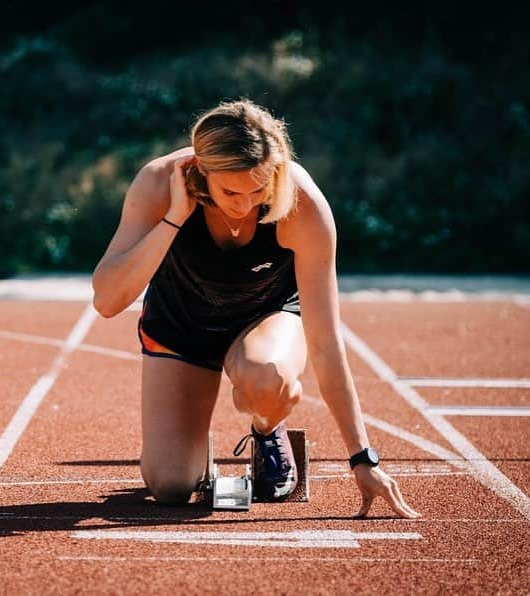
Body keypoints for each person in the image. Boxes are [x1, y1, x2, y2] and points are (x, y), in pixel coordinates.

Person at [91, 98, 420, 518]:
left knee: (267, 377)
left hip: (265, 321)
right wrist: (174, 218)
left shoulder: (302, 204)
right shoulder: (158, 183)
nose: (244, 204)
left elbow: (325, 342)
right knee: (171, 485)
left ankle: (266, 429)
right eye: (230, 191)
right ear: (200, 170)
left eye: (258, 189)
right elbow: (106, 300)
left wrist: (362, 457)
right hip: (180, 326)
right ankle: (192, 451)